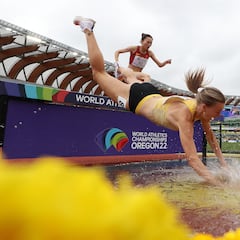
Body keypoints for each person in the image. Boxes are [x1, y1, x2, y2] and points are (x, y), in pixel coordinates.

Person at [73, 16, 227, 186]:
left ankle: (126, 75)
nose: (218, 115)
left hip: (151, 93)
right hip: (137, 98)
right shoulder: (185, 117)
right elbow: (193, 160)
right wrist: (220, 185)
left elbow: (212, 140)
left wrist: (225, 166)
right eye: (217, 112)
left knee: (141, 76)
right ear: (205, 107)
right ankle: (88, 30)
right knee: (98, 73)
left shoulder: (201, 109)